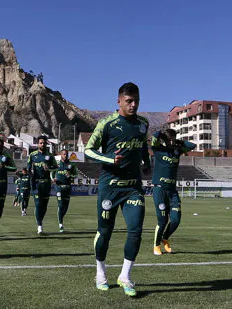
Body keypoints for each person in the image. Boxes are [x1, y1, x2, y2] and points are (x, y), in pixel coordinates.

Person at [84, 82, 151, 296]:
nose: (133, 105)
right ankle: (101, 272)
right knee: (105, 232)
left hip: (133, 188)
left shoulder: (143, 124)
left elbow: (141, 147)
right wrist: (109, 158)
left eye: (136, 101)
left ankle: (125, 276)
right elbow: (89, 150)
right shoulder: (106, 123)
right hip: (110, 187)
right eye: (129, 101)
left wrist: (147, 163)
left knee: (136, 231)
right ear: (119, 101)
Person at [151, 128, 196, 255]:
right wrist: (162, 135)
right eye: (170, 139)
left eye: (173, 138)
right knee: (162, 220)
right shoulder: (158, 149)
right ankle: (156, 245)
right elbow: (154, 137)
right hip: (160, 189)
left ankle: (165, 238)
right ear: (165, 140)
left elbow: (192, 146)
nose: (172, 141)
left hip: (172, 191)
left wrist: (178, 142)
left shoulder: (177, 151)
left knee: (176, 220)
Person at [27, 135, 58, 235]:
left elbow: (56, 168)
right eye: (41, 143)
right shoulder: (32, 155)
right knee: (38, 204)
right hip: (36, 183)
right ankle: (39, 226)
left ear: (46, 144)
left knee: (44, 206)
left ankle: (40, 222)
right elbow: (28, 168)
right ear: (37, 144)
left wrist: (49, 168)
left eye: (44, 143)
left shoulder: (50, 156)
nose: (42, 144)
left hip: (46, 183)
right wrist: (29, 173)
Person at [52, 149, 78, 233]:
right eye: (63, 154)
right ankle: (61, 225)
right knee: (60, 205)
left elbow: (76, 175)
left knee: (65, 207)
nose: (65, 155)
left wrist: (70, 175)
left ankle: (61, 219)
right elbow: (52, 173)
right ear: (60, 155)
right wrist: (53, 179)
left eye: (66, 154)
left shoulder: (71, 165)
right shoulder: (57, 164)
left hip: (68, 187)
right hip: (59, 187)